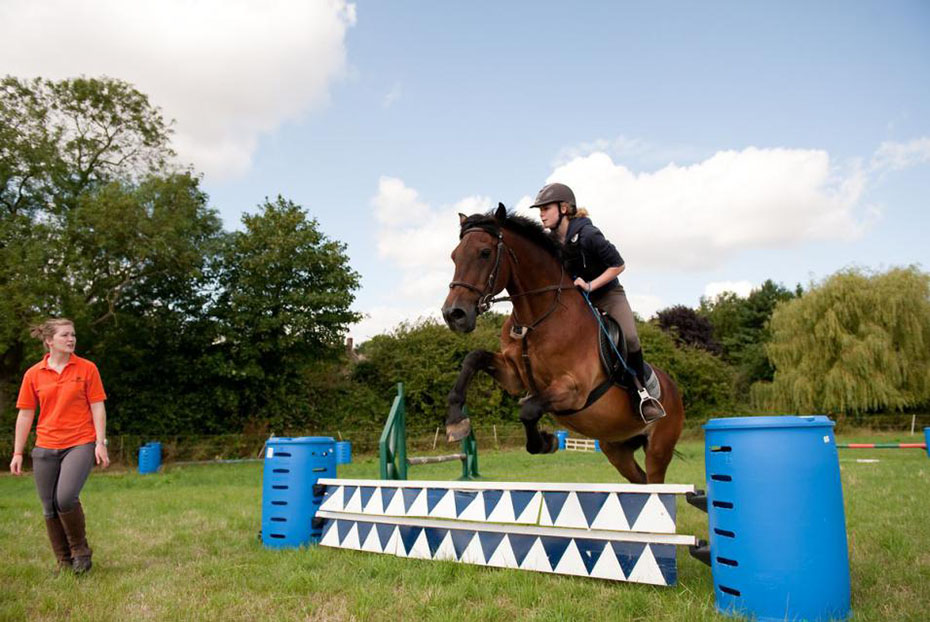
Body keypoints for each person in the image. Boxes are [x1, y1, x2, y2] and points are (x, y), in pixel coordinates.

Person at [530, 182, 665, 423]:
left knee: (631, 337)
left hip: (608, 294)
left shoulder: (589, 235)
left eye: (546, 208)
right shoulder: (550, 242)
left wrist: (591, 285)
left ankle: (641, 391)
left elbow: (618, 265)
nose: (541, 214)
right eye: (539, 209)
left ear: (564, 208)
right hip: (579, 299)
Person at [9, 318, 109, 574]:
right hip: (45, 446)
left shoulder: (87, 369)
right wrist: (18, 452)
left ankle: (81, 552)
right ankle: (64, 562)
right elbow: (25, 414)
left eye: (73, 334)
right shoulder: (33, 374)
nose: (71, 339)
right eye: (65, 335)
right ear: (49, 341)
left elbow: (98, 406)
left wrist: (100, 442)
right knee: (48, 505)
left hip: (80, 442)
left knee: (64, 498)